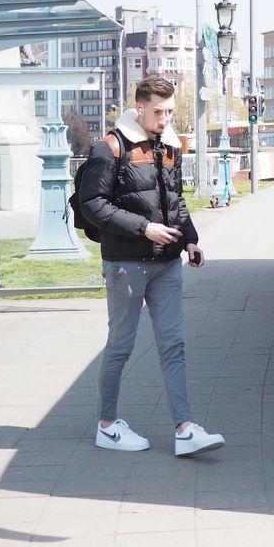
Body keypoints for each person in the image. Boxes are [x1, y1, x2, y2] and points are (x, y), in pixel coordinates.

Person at [78, 76, 224, 457]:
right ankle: (107, 426)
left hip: (166, 264)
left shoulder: (170, 145)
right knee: (120, 347)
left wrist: (190, 239)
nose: (165, 119)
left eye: (170, 111)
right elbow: (93, 205)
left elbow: (175, 201)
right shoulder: (109, 148)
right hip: (125, 265)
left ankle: (186, 429)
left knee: (173, 345)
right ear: (139, 107)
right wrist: (145, 228)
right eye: (159, 112)